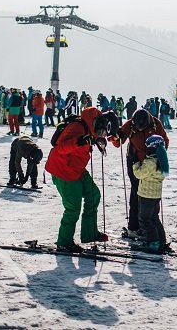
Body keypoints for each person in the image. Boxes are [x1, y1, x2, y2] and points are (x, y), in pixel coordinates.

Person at [45, 108, 118, 253]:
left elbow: (93, 137)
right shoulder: (77, 127)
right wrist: (79, 141)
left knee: (94, 194)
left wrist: (99, 140)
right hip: (64, 171)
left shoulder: (91, 126)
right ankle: (64, 242)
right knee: (73, 208)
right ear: (99, 124)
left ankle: (89, 233)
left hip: (77, 169)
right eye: (102, 132)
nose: (102, 135)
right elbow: (61, 148)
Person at [112, 108, 169, 235]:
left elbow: (165, 141)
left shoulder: (156, 123)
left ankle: (148, 225)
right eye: (138, 127)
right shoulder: (130, 124)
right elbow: (117, 143)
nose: (140, 129)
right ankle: (135, 226)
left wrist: (158, 156)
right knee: (136, 192)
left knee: (150, 192)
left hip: (152, 162)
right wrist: (117, 136)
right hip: (135, 162)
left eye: (143, 127)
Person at [132, 135, 170, 253]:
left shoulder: (150, 162)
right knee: (154, 218)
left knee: (145, 219)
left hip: (146, 195)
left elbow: (139, 174)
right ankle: (161, 241)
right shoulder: (162, 161)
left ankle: (153, 242)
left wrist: (135, 164)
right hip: (155, 195)